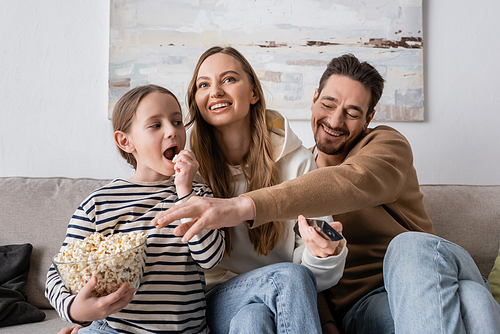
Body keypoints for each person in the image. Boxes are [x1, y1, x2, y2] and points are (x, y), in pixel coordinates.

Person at [152, 54, 500, 333]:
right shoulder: (297, 166)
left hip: (426, 274)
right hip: (364, 308)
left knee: (408, 246)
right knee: (474, 301)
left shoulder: (385, 146)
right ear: (315, 99)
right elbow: (301, 274)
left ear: (368, 118)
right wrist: (328, 317)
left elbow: (349, 181)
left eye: (352, 113)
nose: (335, 120)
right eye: (329, 104)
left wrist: (243, 205)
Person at [153, 46, 347, 333]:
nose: (215, 91)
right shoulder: (184, 166)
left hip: (282, 297)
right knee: (288, 278)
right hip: (212, 301)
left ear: (254, 93)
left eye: (228, 79)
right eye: (203, 84)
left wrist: (322, 254)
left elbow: (312, 275)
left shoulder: (296, 162)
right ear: (196, 99)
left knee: (253, 319)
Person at [46, 84, 225, 334]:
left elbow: (210, 258)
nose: (172, 131)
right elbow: (58, 273)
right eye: (155, 125)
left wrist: (185, 192)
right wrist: (75, 310)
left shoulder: (198, 196)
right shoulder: (99, 204)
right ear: (126, 141)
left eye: (177, 121)